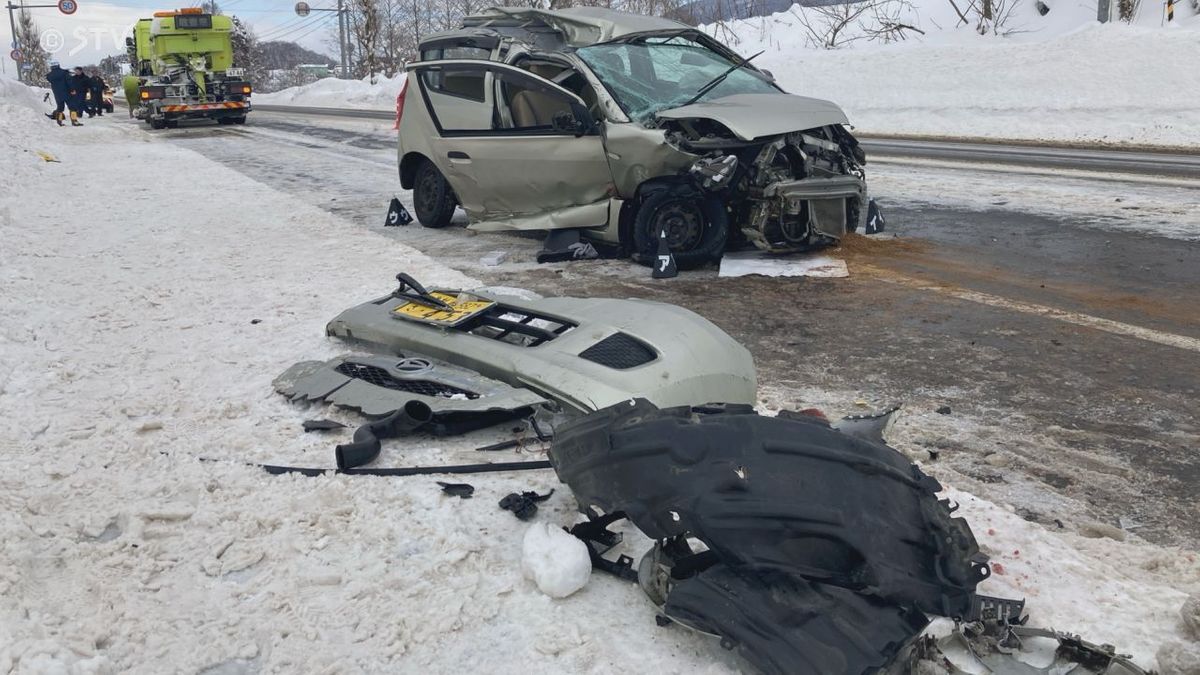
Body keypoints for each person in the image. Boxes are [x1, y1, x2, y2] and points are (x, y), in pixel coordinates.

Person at [44, 61, 70, 126]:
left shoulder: (49, 75)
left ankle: (59, 121)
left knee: (60, 108)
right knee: (72, 107)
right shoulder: (64, 72)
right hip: (67, 92)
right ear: (58, 65)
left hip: (57, 94)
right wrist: (72, 89)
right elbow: (69, 82)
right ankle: (74, 121)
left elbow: (50, 79)